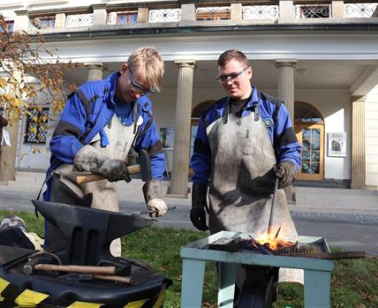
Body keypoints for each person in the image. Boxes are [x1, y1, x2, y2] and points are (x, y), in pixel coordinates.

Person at [190, 49, 303, 301]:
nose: (228, 82)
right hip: (224, 214)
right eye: (222, 78)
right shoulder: (211, 114)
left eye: (233, 75)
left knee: (262, 285)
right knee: (229, 286)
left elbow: (291, 150)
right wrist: (197, 201)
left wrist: (288, 168)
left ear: (249, 72)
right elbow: (201, 162)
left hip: (265, 213)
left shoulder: (272, 110)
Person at [43, 46, 168, 258]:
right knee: (60, 257)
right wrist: (100, 161)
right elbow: (61, 140)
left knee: (106, 256)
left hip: (103, 191)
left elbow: (153, 152)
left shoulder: (143, 108)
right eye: (136, 85)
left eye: (145, 90)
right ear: (124, 69)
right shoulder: (90, 95)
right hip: (66, 189)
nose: (138, 94)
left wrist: (155, 194)